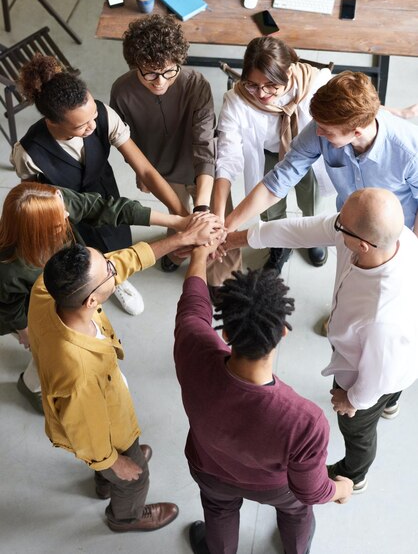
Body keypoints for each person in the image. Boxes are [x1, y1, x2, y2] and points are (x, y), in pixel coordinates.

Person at [28, 214, 220, 533]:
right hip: (104, 427)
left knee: (118, 461)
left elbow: (121, 262)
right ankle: (125, 515)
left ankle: (104, 481)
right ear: (92, 300)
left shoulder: (48, 289)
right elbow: (86, 433)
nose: (115, 267)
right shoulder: (78, 373)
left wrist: (180, 239)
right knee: (136, 476)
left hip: (100, 404)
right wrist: (114, 462)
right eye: (109, 271)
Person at [225, 188, 418, 493]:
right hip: (391, 350)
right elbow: (303, 230)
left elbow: (381, 373)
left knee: (358, 429)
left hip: (377, 370)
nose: (334, 224)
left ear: (364, 245)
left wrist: (353, 400)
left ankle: (355, 474)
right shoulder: (393, 237)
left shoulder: (381, 317)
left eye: (341, 226)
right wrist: (234, 239)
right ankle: (390, 403)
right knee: (386, 392)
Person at [174, 244, 353, 554]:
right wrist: (340, 489)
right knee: (296, 512)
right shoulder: (305, 420)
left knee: (218, 510)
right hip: (277, 488)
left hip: (209, 469)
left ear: (225, 334)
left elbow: (192, 305)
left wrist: (200, 253)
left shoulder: (193, 348)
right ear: (283, 332)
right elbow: (310, 490)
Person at [10, 54, 187, 316]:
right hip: (67, 214)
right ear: (53, 122)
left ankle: (117, 279)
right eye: (83, 125)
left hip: (104, 191)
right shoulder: (27, 153)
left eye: (93, 115)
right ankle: (97, 286)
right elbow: (36, 199)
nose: (93, 125)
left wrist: (181, 214)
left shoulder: (103, 115)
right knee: (81, 259)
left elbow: (146, 170)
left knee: (116, 238)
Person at [0, 182, 200, 413]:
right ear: (39, 232)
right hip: (34, 315)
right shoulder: (9, 269)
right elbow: (9, 308)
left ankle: (32, 379)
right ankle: (31, 386)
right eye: (58, 221)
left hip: (69, 300)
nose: (67, 213)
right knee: (45, 354)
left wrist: (178, 223)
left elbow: (105, 208)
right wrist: (26, 332)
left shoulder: (54, 200)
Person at [110, 14, 241, 286]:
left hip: (202, 172)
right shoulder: (121, 92)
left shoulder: (196, 85)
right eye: (149, 73)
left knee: (218, 223)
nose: (159, 81)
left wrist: (203, 208)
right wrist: (142, 175)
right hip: (161, 171)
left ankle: (221, 278)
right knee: (178, 220)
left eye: (169, 71)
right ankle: (178, 252)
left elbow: (205, 148)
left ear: (179, 61)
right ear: (135, 65)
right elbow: (128, 144)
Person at [225, 71, 418, 238]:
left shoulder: (410, 150)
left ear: (356, 133)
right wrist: (227, 227)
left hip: (399, 233)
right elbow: (280, 179)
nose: (318, 133)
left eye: (326, 131)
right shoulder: (322, 125)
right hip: (348, 226)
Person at [214, 36, 332, 276]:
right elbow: (227, 157)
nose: (261, 93)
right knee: (270, 209)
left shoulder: (315, 82)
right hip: (269, 154)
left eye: (271, 85)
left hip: (307, 152)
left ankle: (313, 236)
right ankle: (279, 244)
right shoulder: (237, 101)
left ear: (288, 72)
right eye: (253, 85)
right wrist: (219, 220)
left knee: (311, 199)